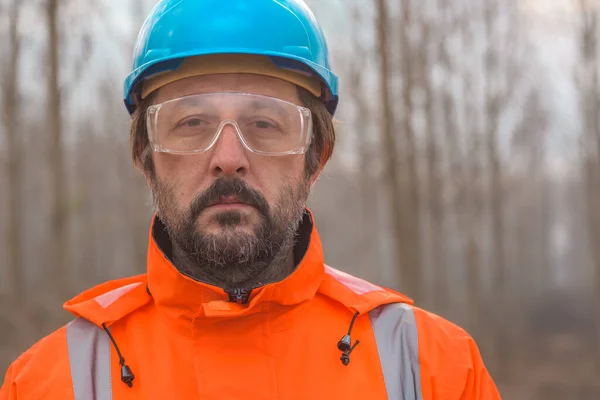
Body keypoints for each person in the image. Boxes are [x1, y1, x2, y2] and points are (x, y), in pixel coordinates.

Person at [0, 0, 501, 398]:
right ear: (145, 156)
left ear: (316, 155)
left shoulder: (437, 372)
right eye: (191, 122)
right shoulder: (46, 385)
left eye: (265, 123)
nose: (228, 158)